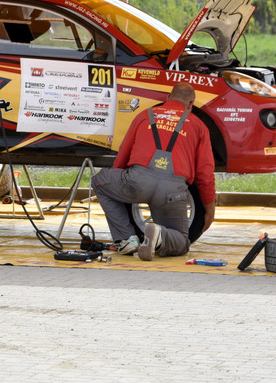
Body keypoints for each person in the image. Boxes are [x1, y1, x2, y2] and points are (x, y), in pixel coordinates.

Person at [90, 83, 216, 260]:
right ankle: (159, 234)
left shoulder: (144, 116)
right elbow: (205, 174)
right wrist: (210, 209)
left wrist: (122, 190)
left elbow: (122, 157)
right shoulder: (198, 125)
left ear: (168, 98)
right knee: (181, 241)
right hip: (172, 191)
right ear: (190, 105)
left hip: (138, 181)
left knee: (99, 181)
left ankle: (127, 239)